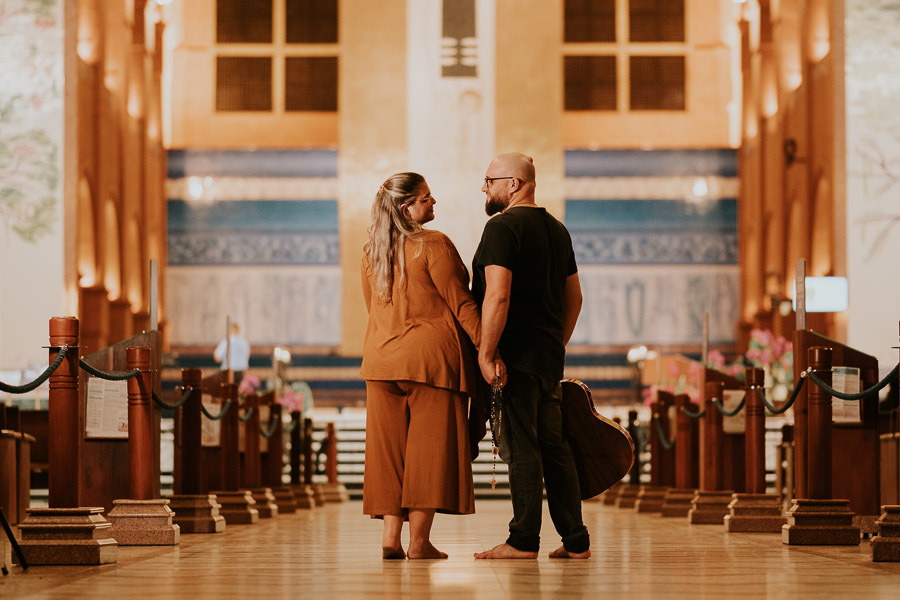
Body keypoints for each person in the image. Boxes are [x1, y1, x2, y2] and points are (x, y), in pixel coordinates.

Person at [359, 172, 502, 560]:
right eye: (426, 198)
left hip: (381, 362)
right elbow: (462, 304)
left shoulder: (372, 253)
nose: (434, 201)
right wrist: (487, 351)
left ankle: (390, 539)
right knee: (428, 453)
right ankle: (419, 543)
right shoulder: (433, 245)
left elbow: (374, 310)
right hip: (431, 363)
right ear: (407, 208)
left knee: (388, 452)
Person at [471, 152, 590, 560]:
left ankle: (523, 540)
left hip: (514, 360)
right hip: (546, 360)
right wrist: (555, 344)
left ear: (514, 185)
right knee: (554, 447)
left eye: (490, 180)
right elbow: (574, 297)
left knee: (521, 449)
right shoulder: (558, 230)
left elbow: (498, 294)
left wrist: (487, 353)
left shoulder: (502, 228)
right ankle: (576, 541)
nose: (485, 188)